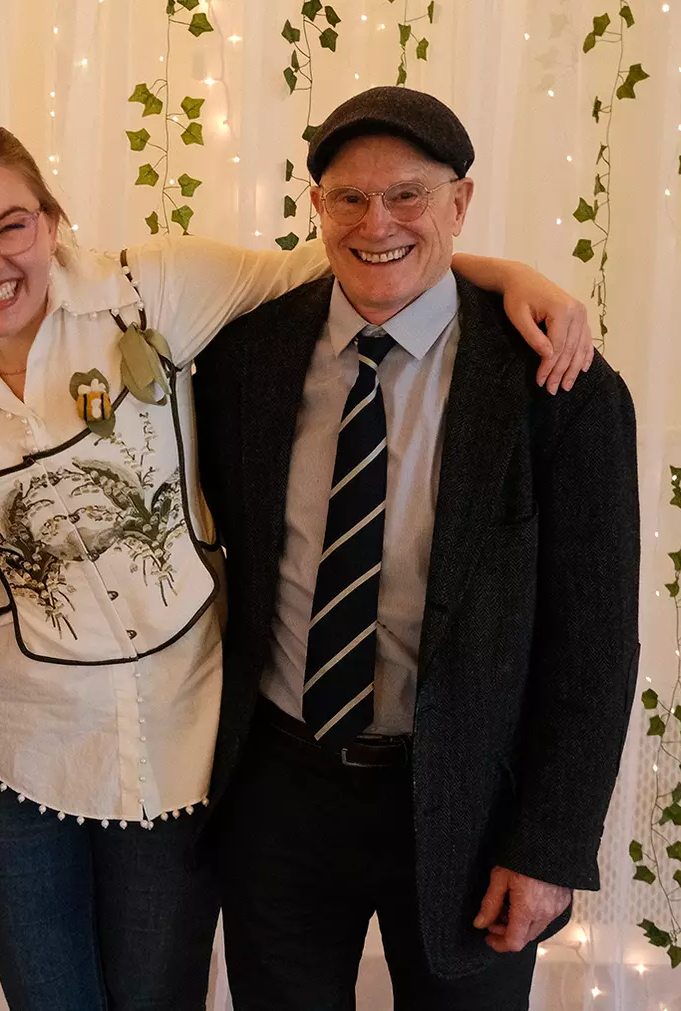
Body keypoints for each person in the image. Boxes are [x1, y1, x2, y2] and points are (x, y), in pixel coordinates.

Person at [0, 121, 595, 1011]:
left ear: (53, 221)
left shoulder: (154, 291)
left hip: (188, 744)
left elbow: (352, 261)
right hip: (20, 742)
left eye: (11, 225)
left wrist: (506, 274)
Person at [195, 87, 641, 1010]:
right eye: (349, 198)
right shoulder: (244, 357)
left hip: (468, 801)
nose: (378, 222)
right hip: (281, 788)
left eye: (408, 195)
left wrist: (550, 845)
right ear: (315, 208)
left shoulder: (557, 384)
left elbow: (594, 642)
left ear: (460, 204)